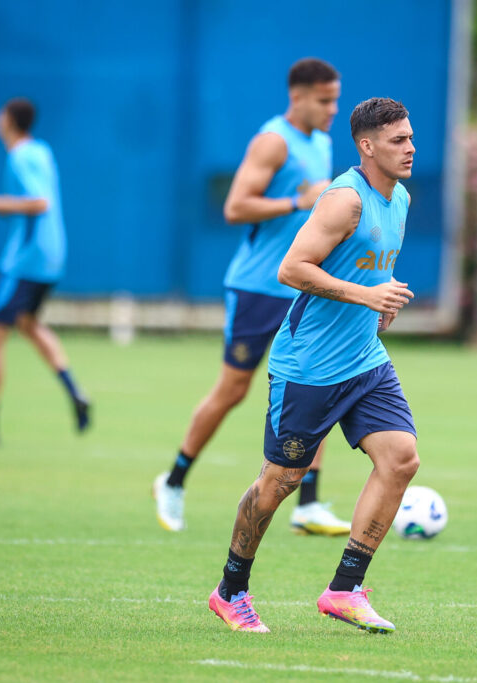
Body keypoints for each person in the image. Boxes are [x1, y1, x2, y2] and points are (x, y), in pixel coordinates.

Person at [208, 97, 418, 634]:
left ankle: (344, 590)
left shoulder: (401, 199)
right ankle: (230, 591)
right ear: (367, 146)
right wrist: (366, 296)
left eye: (411, 137)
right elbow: (291, 268)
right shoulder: (344, 200)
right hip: (309, 366)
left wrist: (380, 306)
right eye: (398, 140)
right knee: (280, 482)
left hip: (364, 361)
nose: (410, 148)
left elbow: (369, 267)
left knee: (400, 459)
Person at [152, 58, 351, 536]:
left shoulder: (321, 143)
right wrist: (297, 202)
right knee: (233, 390)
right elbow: (235, 206)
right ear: (297, 96)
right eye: (325, 101)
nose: (333, 109)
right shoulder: (273, 141)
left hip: (301, 284)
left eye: (336, 99)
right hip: (258, 287)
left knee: (317, 383)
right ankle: (174, 480)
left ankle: (307, 504)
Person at [0, 97, 89, 444]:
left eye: (0, 113)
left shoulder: (20, 156)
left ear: (9, 120)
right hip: (51, 256)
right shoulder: (41, 150)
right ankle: (74, 390)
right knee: (28, 324)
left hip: (25, 260)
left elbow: (38, 203)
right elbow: (34, 204)